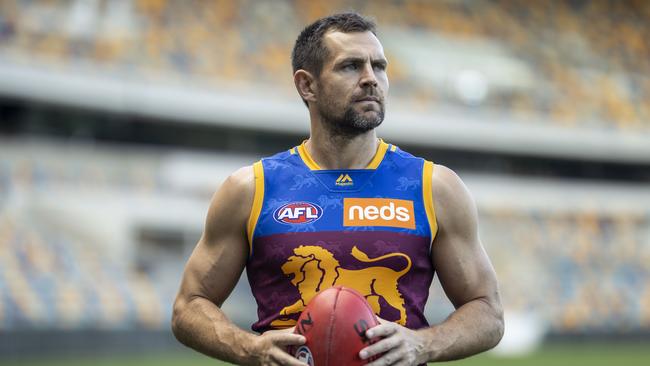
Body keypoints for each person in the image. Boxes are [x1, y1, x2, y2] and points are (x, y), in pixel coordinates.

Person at [172, 12, 503, 366]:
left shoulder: (434, 187)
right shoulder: (251, 189)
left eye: (379, 66)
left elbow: (487, 312)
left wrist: (423, 344)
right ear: (307, 86)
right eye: (350, 66)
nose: (370, 79)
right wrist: (249, 348)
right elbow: (188, 307)